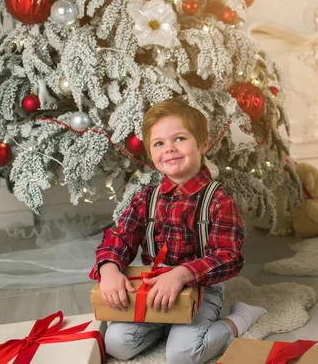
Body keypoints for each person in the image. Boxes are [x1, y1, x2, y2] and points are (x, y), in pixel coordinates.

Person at [89, 98, 267, 364]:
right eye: (159, 143)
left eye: (180, 139)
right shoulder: (146, 199)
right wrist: (109, 269)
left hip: (201, 288)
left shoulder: (217, 200)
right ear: (151, 153)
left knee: (183, 356)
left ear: (203, 144)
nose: (169, 149)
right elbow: (119, 237)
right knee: (116, 344)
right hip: (154, 285)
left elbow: (228, 256)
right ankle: (167, 323)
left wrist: (183, 274)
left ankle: (240, 317)